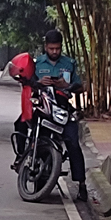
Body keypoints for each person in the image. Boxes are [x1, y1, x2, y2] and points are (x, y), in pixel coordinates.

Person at [35, 29, 88, 202]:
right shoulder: (38, 63)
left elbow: (81, 87)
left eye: (57, 48)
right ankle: (29, 169)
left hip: (63, 108)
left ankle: (81, 185)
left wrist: (67, 85)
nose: (54, 52)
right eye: (51, 49)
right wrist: (38, 83)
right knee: (26, 129)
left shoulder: (69, 63)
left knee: (73, 142)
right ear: (46, 47)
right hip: (44, 107)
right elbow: (26, 83)